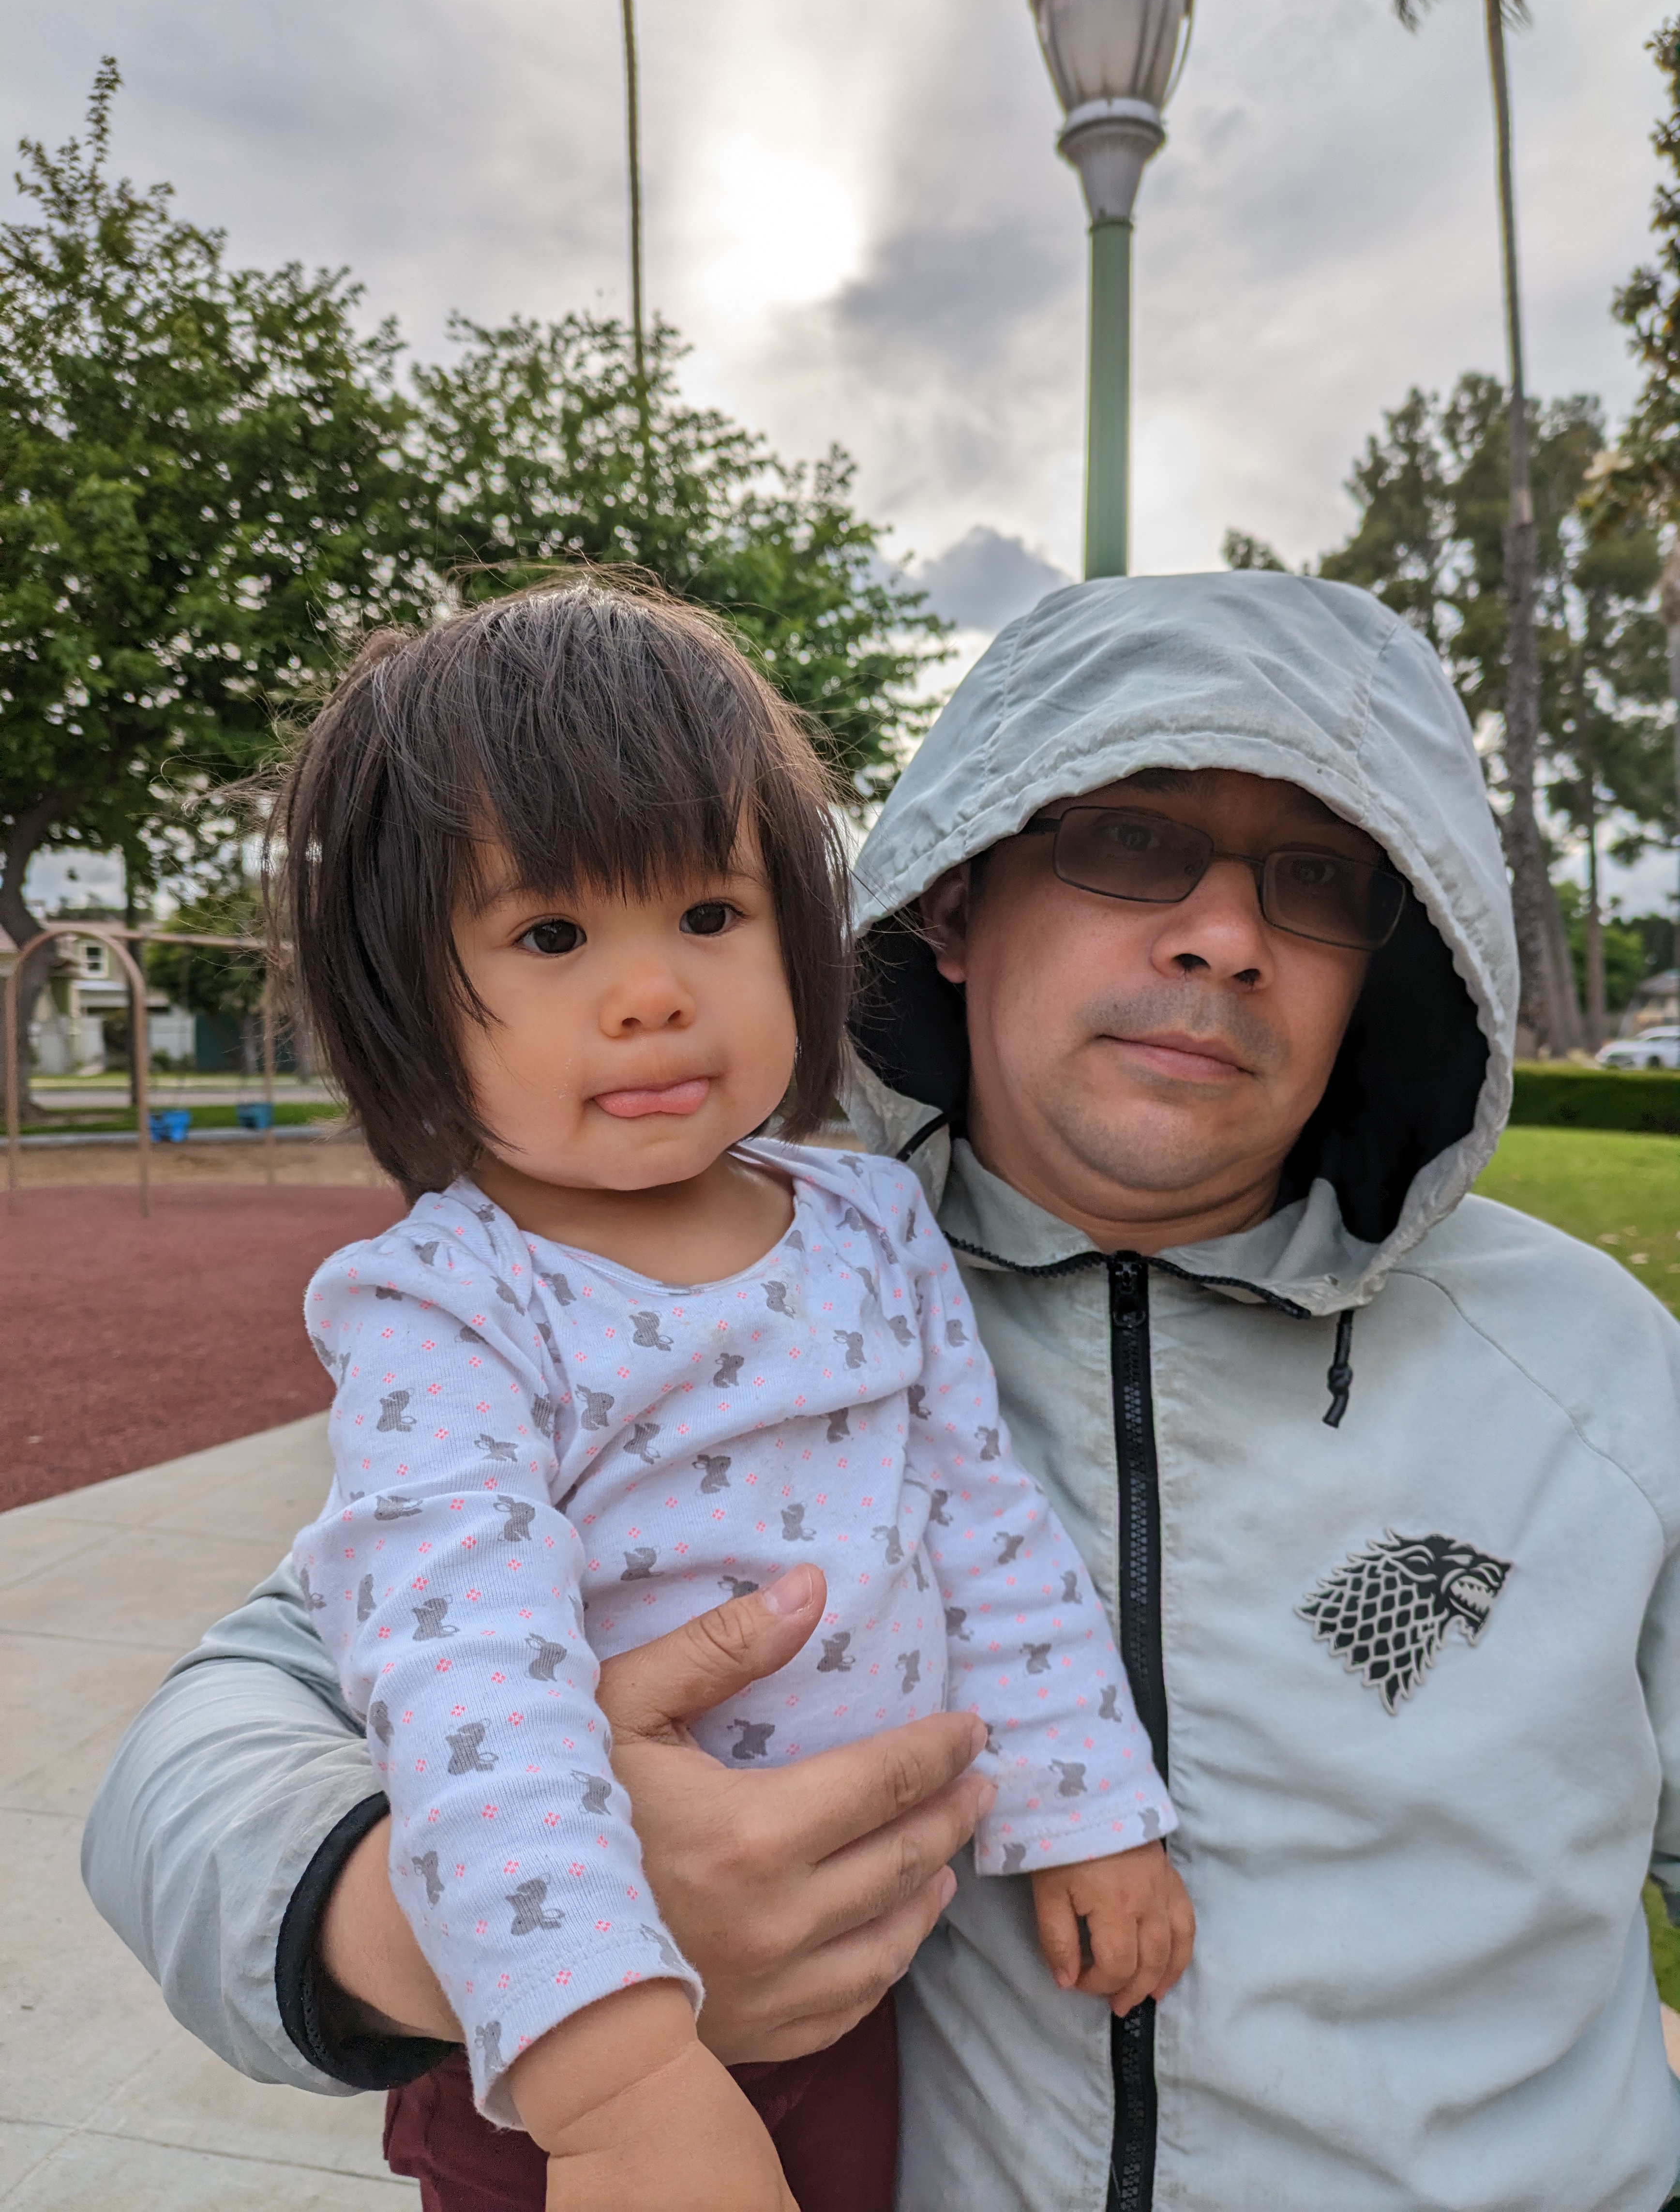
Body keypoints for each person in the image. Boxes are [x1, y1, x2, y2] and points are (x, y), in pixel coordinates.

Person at [84, 570, 1680, 2211]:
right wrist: (465, 1947)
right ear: (954, 899)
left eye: (1320, 877)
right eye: (1127, 838)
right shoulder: (705, 1291)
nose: (1223, 935)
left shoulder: (1604, 1373)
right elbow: (202, 1764)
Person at [264, 576, 1185, 2211]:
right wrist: (616, 2083)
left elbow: (984, 1519)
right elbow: (469, 1678)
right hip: (566, 2031)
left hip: (854, 1981)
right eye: (551, 935)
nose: (652, 993)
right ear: (405, 991)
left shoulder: (870, 1222)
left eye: (709, 916)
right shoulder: (445, 1305)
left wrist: (1093, 1809)